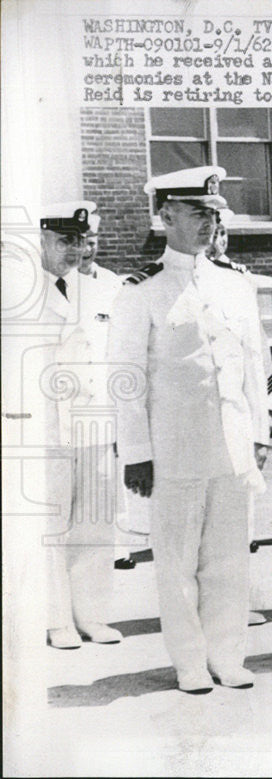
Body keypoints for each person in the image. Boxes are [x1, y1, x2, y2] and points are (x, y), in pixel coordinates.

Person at [108, 166, 270, 693]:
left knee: (228, 560)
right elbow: (127, 379)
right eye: (197, 211)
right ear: (166, 215)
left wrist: (260, 435)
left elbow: (252, 365)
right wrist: (136, 451)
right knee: (177, 564)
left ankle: (227, 656)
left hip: (233, 445)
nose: (208, 222)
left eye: (213, 212)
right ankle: (190, 662)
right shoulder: (143, 291)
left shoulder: (234, 284)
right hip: (173, 450)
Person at [23, 203, 123, 649]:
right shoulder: (19, 292)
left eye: (81, 241)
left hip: (97, 424)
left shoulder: (104, 290)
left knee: (96, 524)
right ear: (41, 240)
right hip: (44, 429)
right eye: (65, 240)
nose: (76, 250)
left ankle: (93, 615)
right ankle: (56, 618)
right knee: (51, 524)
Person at [206, 209, 272, 628]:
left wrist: (261, 425)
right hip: (199, 419)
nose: (219, 237)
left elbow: (255, 355)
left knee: (240, 518)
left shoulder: (239, 280)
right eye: (214, 229)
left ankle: (237, 602)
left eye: (223, 229)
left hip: (237, 417)